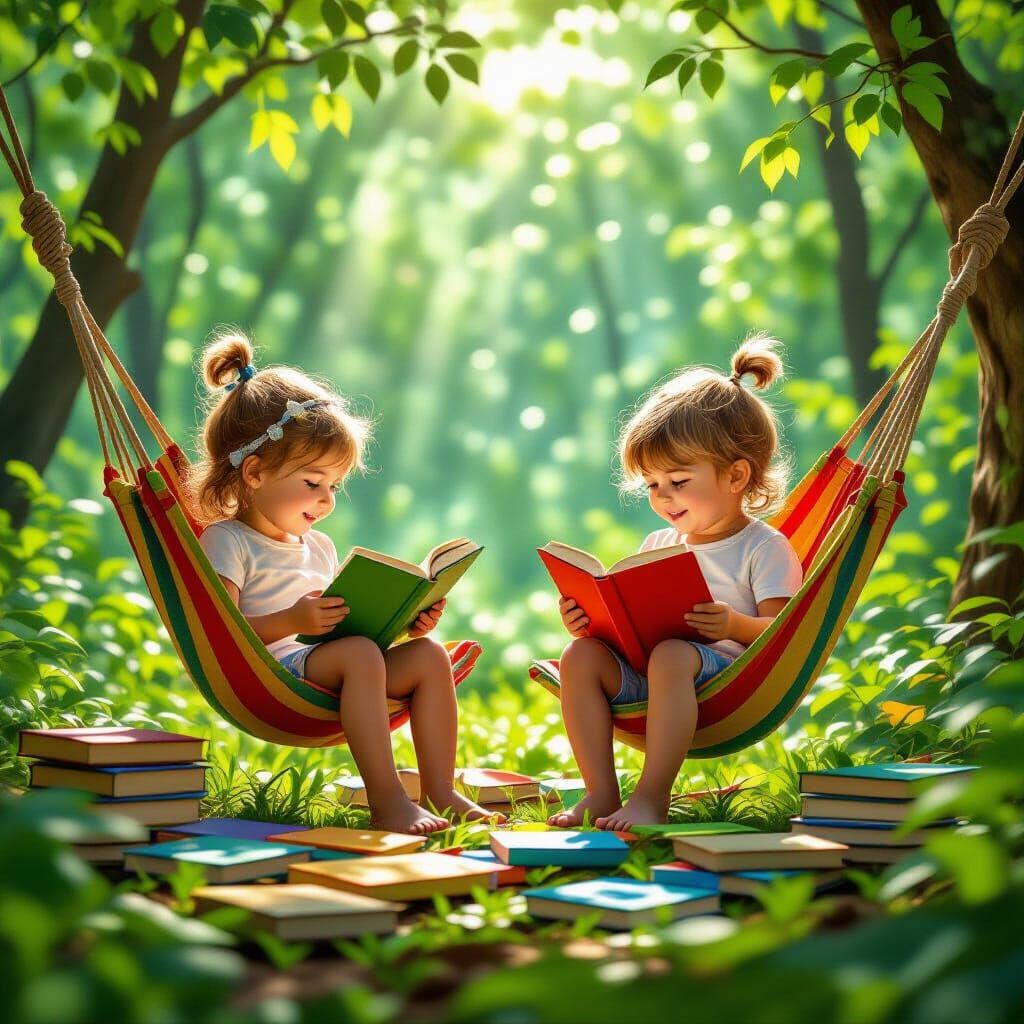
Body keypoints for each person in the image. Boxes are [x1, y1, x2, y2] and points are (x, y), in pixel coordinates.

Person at [189, 331, 499, 834]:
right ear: (255, 473)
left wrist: (405, 622)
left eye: (334, 485)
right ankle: (387, 800)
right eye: (313, 482)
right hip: (274, 675)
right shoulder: (228, 541)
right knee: (358, 655)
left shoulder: (319, 547)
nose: (327, 499)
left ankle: (440, 791)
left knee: (428, 656)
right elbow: (220, 635)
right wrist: (293, 620)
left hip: (339, 664)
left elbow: (350, 623)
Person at [549, 335, 803, 831]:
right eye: (652, 485)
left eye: (679, 482)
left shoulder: (763, 548)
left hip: (725, 681)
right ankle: (600, 792)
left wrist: (733, 624)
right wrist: (591, 623)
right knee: (578, 656)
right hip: (649, 670)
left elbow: (784, 634)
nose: (664, 497)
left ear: (736, 477)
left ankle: (651, 797)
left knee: (671, 654)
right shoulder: (660, 543)